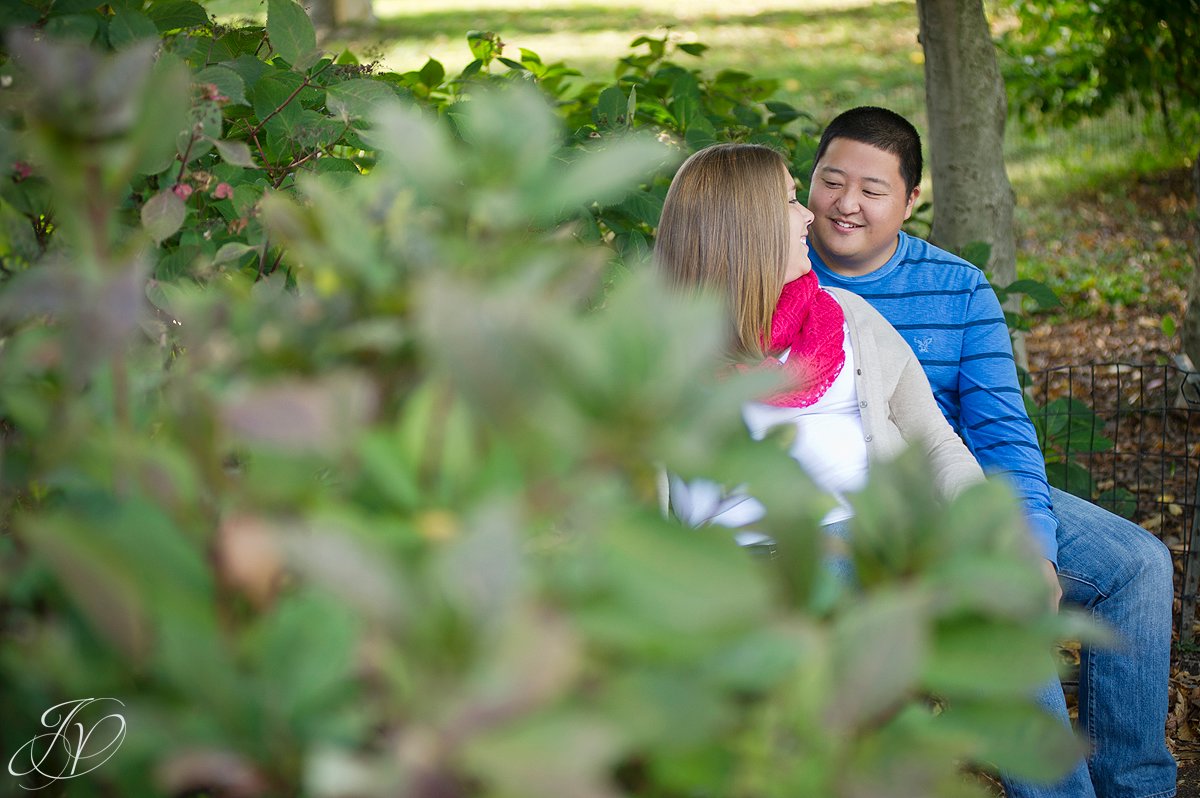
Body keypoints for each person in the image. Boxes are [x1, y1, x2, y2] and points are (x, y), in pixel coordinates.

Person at [805, 105, 1176, 798]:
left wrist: (1029, 541)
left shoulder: (956, 287)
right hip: (860, 502)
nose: (845, 205)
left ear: (911, 200)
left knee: (1139, 565)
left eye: (872, 190)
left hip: (964, 483)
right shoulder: (779, 278)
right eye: (830, 181)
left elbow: (1003, 434)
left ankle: (1135, 785)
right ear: (809, 179)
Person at [654, 141, 984, 553]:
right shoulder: (662, 355)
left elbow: (935, 440)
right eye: (791, 200)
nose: (809, 214)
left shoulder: (847, 316)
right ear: (747, 227)